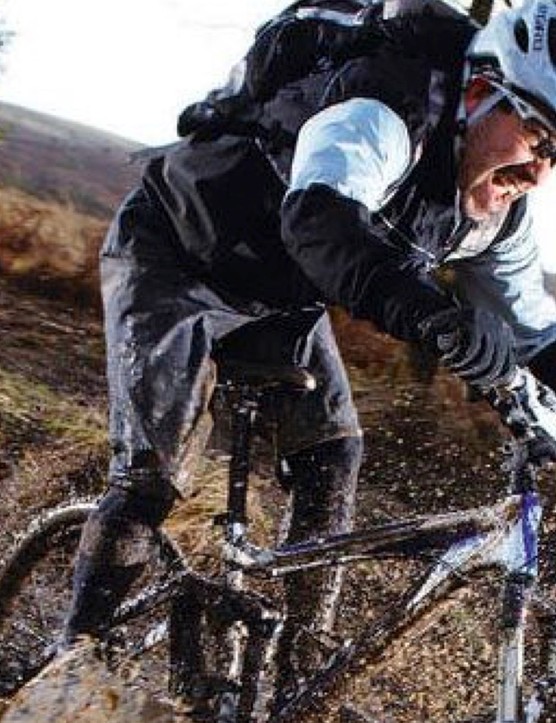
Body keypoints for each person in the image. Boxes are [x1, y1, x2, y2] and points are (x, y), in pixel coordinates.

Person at [64, 0, 556, 702]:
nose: (537, 173)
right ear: (480, 94)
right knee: (151, 477)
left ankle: (303, 673)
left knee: (334, 453)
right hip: (176, 258)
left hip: (280, 302)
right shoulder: (386, 109)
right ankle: (70, 662)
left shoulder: (496, 217)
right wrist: (438, 320)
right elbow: (320, 221)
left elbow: (537, 334)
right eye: (535, 135)